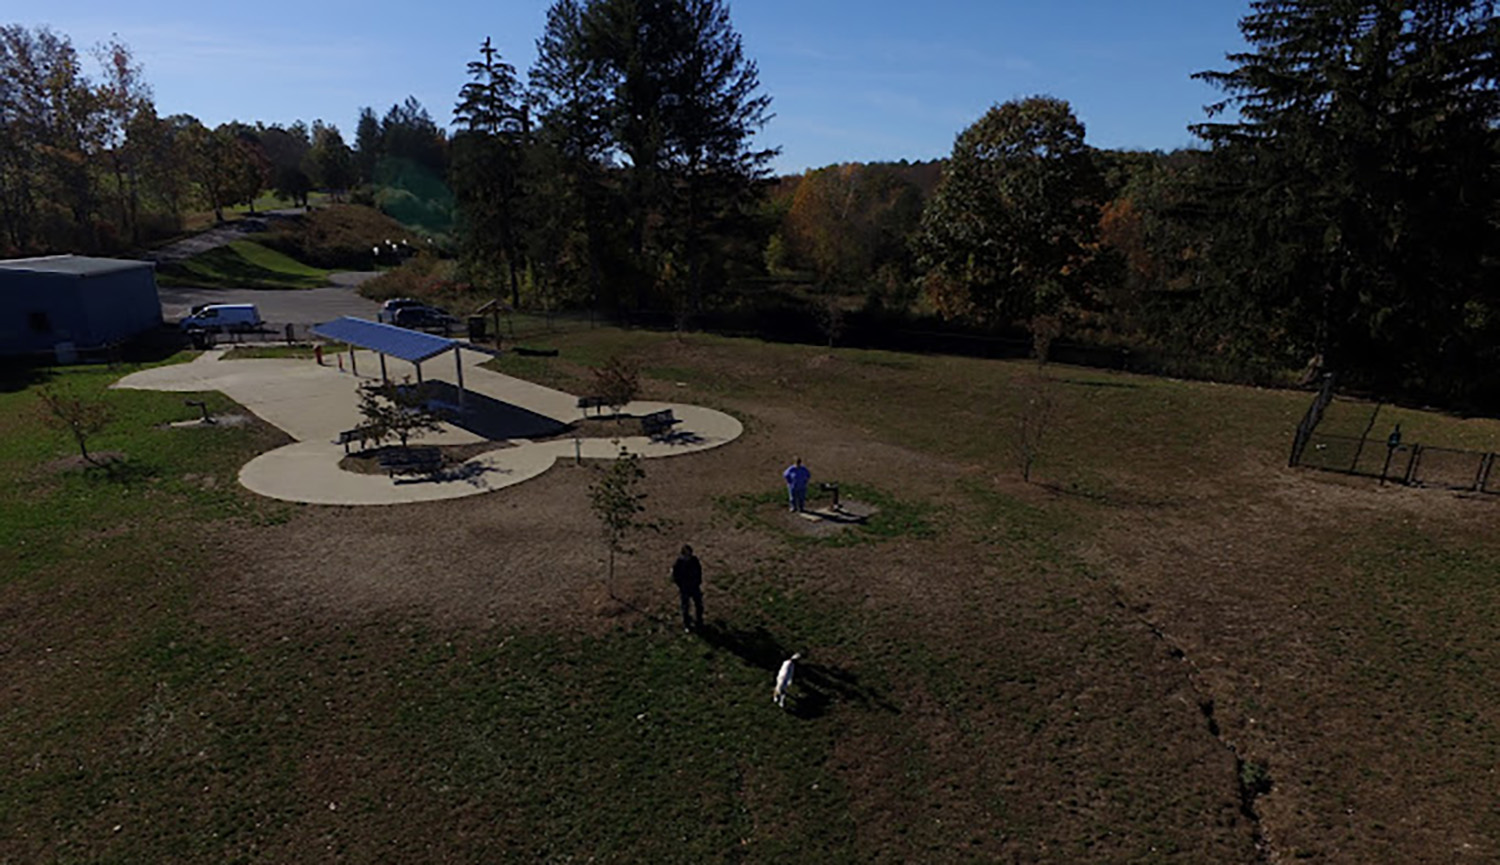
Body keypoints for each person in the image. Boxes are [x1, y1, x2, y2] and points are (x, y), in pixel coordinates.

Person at [671, 544, 704, 632]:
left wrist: (698, 581)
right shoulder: (679, 563)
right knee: (685, 607)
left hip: (694, 586)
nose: (688, 556)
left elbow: (699, 570)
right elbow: (675, 576)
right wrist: (681, 585)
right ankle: (687, 624)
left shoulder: (694, 560)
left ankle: (699, 621)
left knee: (699, 605)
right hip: (685, 588)